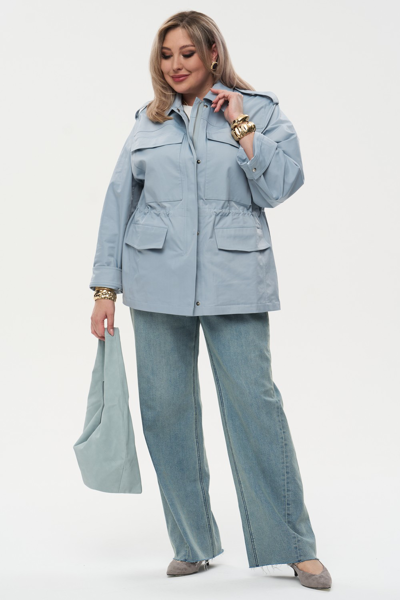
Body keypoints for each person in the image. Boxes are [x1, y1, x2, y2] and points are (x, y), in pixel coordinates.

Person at [89, 10, 332, 591]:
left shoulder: (260, 110)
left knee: (256, 408)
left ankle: (294, 547)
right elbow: (119, 201)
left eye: (187, 53)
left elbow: (280, 186)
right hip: (155, 280)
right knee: (165, 412)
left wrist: (242, 125)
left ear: (213, 53)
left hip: (234, 279)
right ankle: (193, 543)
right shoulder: (148, 120)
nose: (175, 65)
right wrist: (104, 287)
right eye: (166, 55)